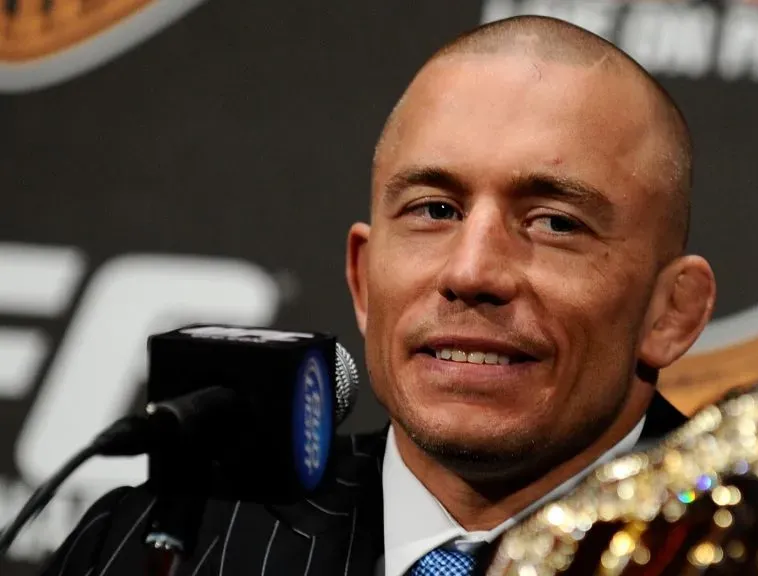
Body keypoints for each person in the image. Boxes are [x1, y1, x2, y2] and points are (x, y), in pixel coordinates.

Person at [40, 14, 716, 576]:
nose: (473, 272)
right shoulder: (153, 548)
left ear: (672, 311)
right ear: (363, 278)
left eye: (555, 222)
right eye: (434, 210)